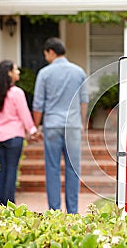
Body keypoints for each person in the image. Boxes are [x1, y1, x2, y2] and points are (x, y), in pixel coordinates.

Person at [33, 37, 88, 214]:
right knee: (73, 168)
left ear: (51, 52)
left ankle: (55, 212)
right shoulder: (79, 71)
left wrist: (36, 126)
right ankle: (73, 212)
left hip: (52, 124)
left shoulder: (44, 73)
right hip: (72, 125)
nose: (45, 57)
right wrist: (82, 122)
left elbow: (38, 103)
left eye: (46, 54)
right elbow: (84, 100)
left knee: (52, 168)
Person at [0, 60, 40, 206]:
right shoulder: (17, 92)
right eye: (16, 70)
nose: (18, 72)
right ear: (9, 73)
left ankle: (2, 204)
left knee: (3, 169)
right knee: (12, 169)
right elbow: (24, 113)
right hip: (13, 137)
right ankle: (10, 206)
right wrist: (32, 130)